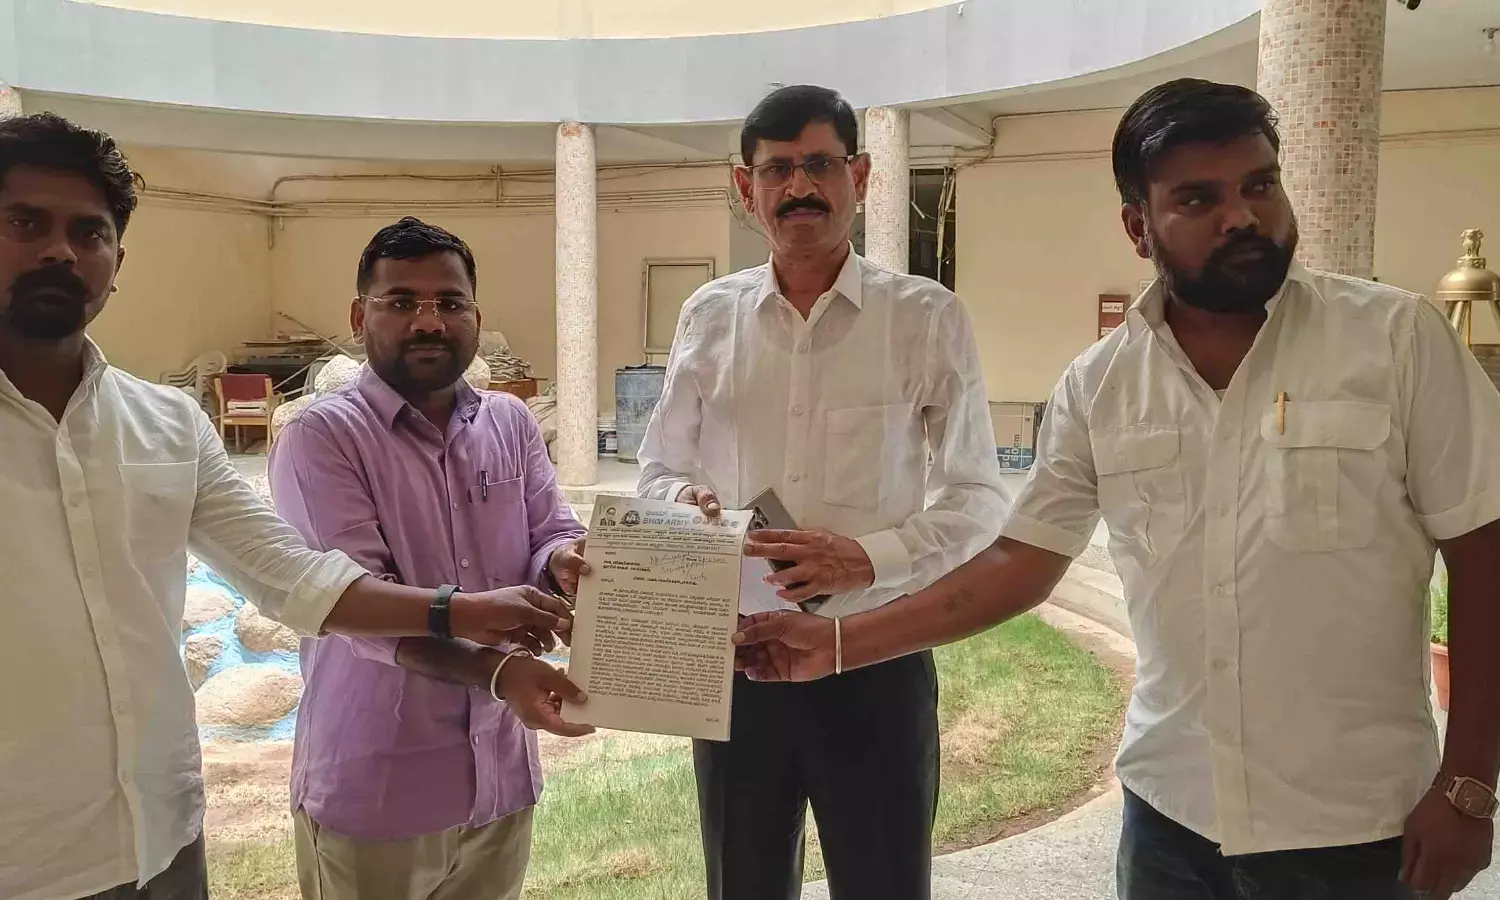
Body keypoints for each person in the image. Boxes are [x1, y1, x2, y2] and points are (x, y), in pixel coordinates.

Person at [733, 78, 1500, 900]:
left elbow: (1485, 555)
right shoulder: (1101, 384)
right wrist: (836, 644)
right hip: (1171, 825)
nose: (1241, 216)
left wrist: (1469, 783)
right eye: (1198, 199)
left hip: (1360, 830)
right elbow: (1018, 565)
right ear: (1138, 226)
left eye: (1259, 185)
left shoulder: (1395, 342)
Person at [0, 116, 571, 900]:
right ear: (359, 316)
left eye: (88, 231)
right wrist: (476, 633)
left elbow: (295, 581)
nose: (61, 252)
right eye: (25, 223)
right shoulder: (322, 434)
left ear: (118, 261)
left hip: (158, 837)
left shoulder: (167, 425)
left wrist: (498, 599)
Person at [638, 85, 1006, 900]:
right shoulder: (709, 315)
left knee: (884, 883)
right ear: (747, 188)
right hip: (739, 662)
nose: (799, 187)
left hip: (874, 657)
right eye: (777, 170)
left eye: (819, 165)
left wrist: (867, 560)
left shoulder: (925, 317)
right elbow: (659, 470)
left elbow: (978, 497)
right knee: (743, 882)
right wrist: (689, 511)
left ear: (860, 176)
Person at [269, 217, 595, 900]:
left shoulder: (510, 422)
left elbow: (549, 533)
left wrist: (564, 562)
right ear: (359, 316)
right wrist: (499, 671)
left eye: (450, 302)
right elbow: (359, 610)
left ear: (476, 315)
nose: (429, 321)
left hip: (500, 775)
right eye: (401, 302)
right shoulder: (321, 438)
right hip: (378, 787)